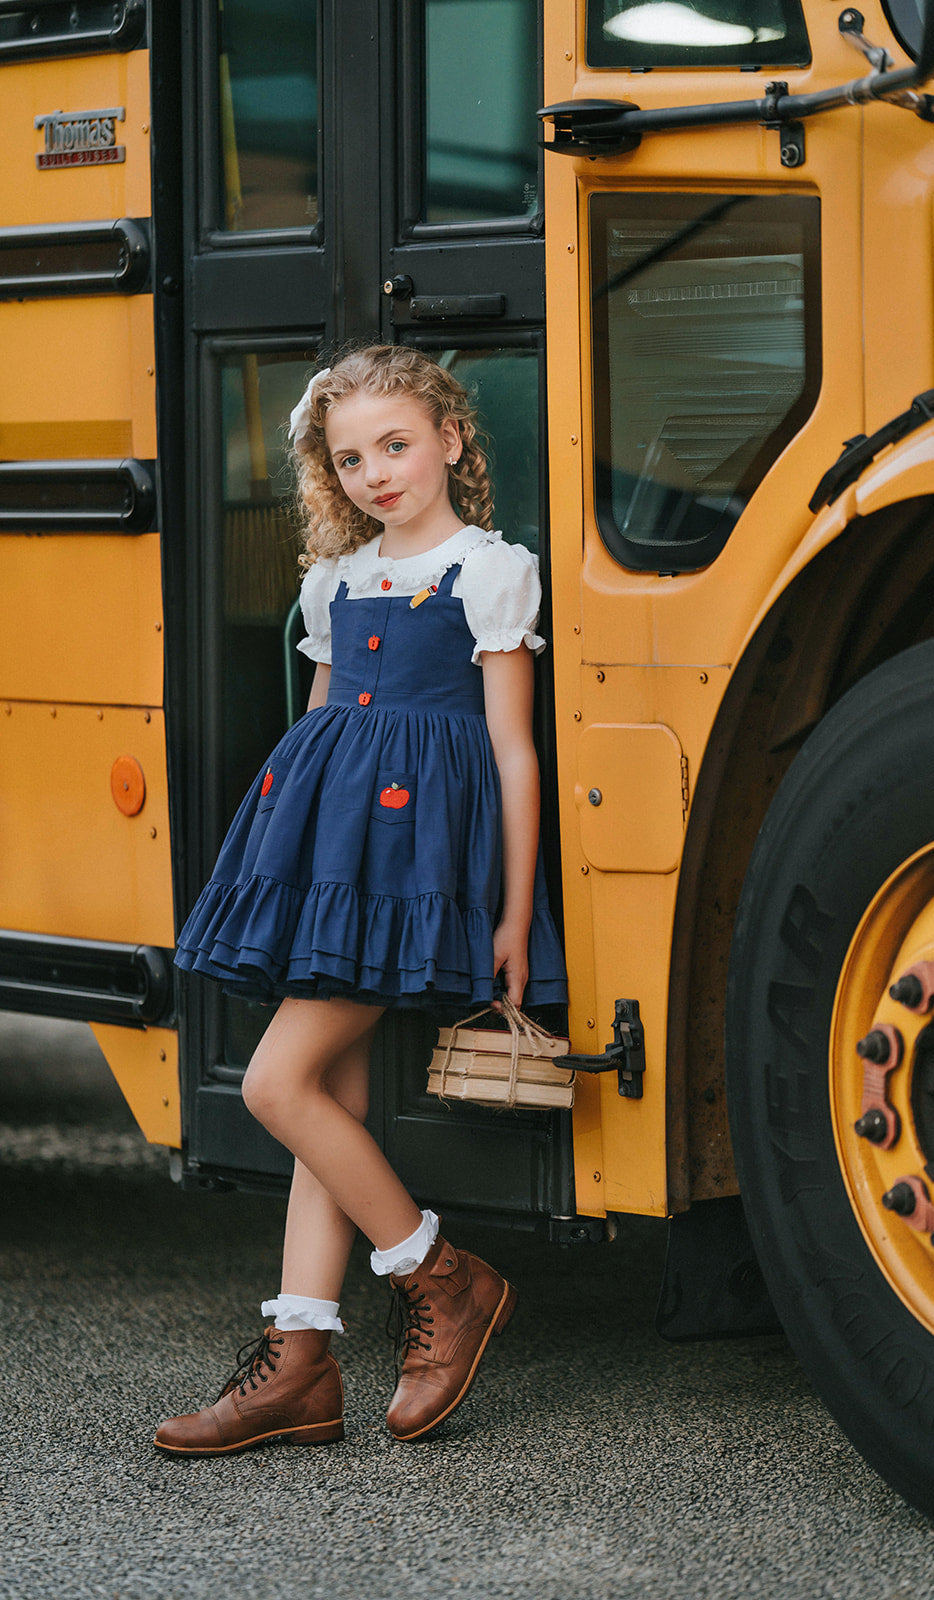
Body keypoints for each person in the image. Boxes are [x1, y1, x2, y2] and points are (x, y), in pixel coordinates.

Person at [155, 345, 567, 1457]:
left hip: (417, 866)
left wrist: (513, 912)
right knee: (320, 1095)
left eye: (395, 444)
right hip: (334, 859)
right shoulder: (331, 583)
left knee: (279, 1083)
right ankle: (302, 1358)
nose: (377, 473)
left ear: (450, 440)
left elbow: (512, 752)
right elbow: (324, 723)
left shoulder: (490, 569)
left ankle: (441, 1273)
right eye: (349, 458)